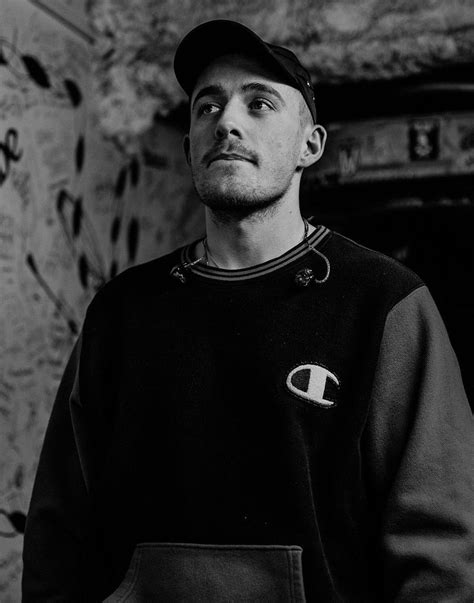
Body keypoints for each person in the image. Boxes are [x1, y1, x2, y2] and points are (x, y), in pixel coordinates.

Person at [22, 19, 474, 602]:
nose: (227, 121)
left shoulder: (384, 303)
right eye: (207, 107)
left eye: (259, 103)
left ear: (310, 145)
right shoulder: (121, 312)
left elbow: (442, 550)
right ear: (189, 149)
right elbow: (59, 533)